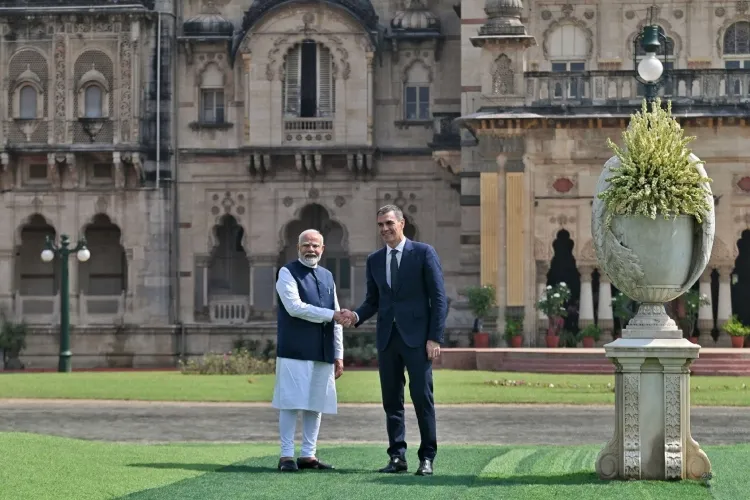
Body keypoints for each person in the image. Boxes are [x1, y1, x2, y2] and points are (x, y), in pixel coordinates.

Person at [341, 204, 447, 476]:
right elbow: (373, 301)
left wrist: (435, 337)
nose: (385, 229)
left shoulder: (423, 253)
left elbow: (438, 298)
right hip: (388, 338)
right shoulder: (375, 259)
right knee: (391, 400)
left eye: (389, 223)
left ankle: (427, 458)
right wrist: (355, 315)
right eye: (380, 225)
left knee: (422, 398)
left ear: (402, 223)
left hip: (418, 339)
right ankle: (397, 457)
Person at [272, 228, 351, 472]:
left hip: (322, 350)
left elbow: (336, 319)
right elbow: (295, 307)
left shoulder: (327, 276)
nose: (311, 249)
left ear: (322, 249)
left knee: (316, 403)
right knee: (291, 402)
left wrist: (339, 354)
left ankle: (308, 454)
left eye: (316, 245)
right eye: (306, 245)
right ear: (298, 248)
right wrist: (331, 315)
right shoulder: (287, 272)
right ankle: (286, 456)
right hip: (294, 349)